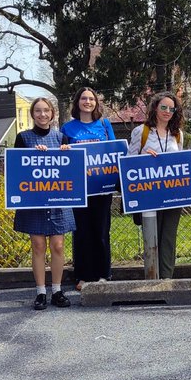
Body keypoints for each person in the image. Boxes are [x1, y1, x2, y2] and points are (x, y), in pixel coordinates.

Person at [13, 97, 74, 310]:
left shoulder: (62, 137)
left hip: (58, 200)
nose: (42, 115)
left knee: (58, 246)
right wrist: (32, 155)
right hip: (34, 200)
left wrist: (68, 153)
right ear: (32, 114)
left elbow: (71, 169)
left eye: (46, 111)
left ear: (52, 113)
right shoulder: (23, 138)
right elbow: (17, 169)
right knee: (38, 246)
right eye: (38, 111)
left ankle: (57, 290)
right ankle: (40, 292)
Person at [61, 87, 116, 288]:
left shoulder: (104, 124)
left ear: (96, 102)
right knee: (82, 232)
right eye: (83, 98)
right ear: (77, 102)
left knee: (101, 231)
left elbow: (113, 151)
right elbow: (63, 156)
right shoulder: (67, 128)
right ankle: (82, 276)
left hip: (102, 188)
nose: (87, 102)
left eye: (91, 98)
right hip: (79, 189)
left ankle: (104, 275)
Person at [129, 91, 185, 280]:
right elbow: (128, 163)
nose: (167, 111)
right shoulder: (141, 132)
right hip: (149, 195)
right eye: (163, 107)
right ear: (155, 108)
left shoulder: (177, 135)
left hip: (172, 194)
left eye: (171, 108)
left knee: (169, 237)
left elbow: (180, 162)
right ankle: (152, 277)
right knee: (152, 236)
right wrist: (144, 159)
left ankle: (167, 278)